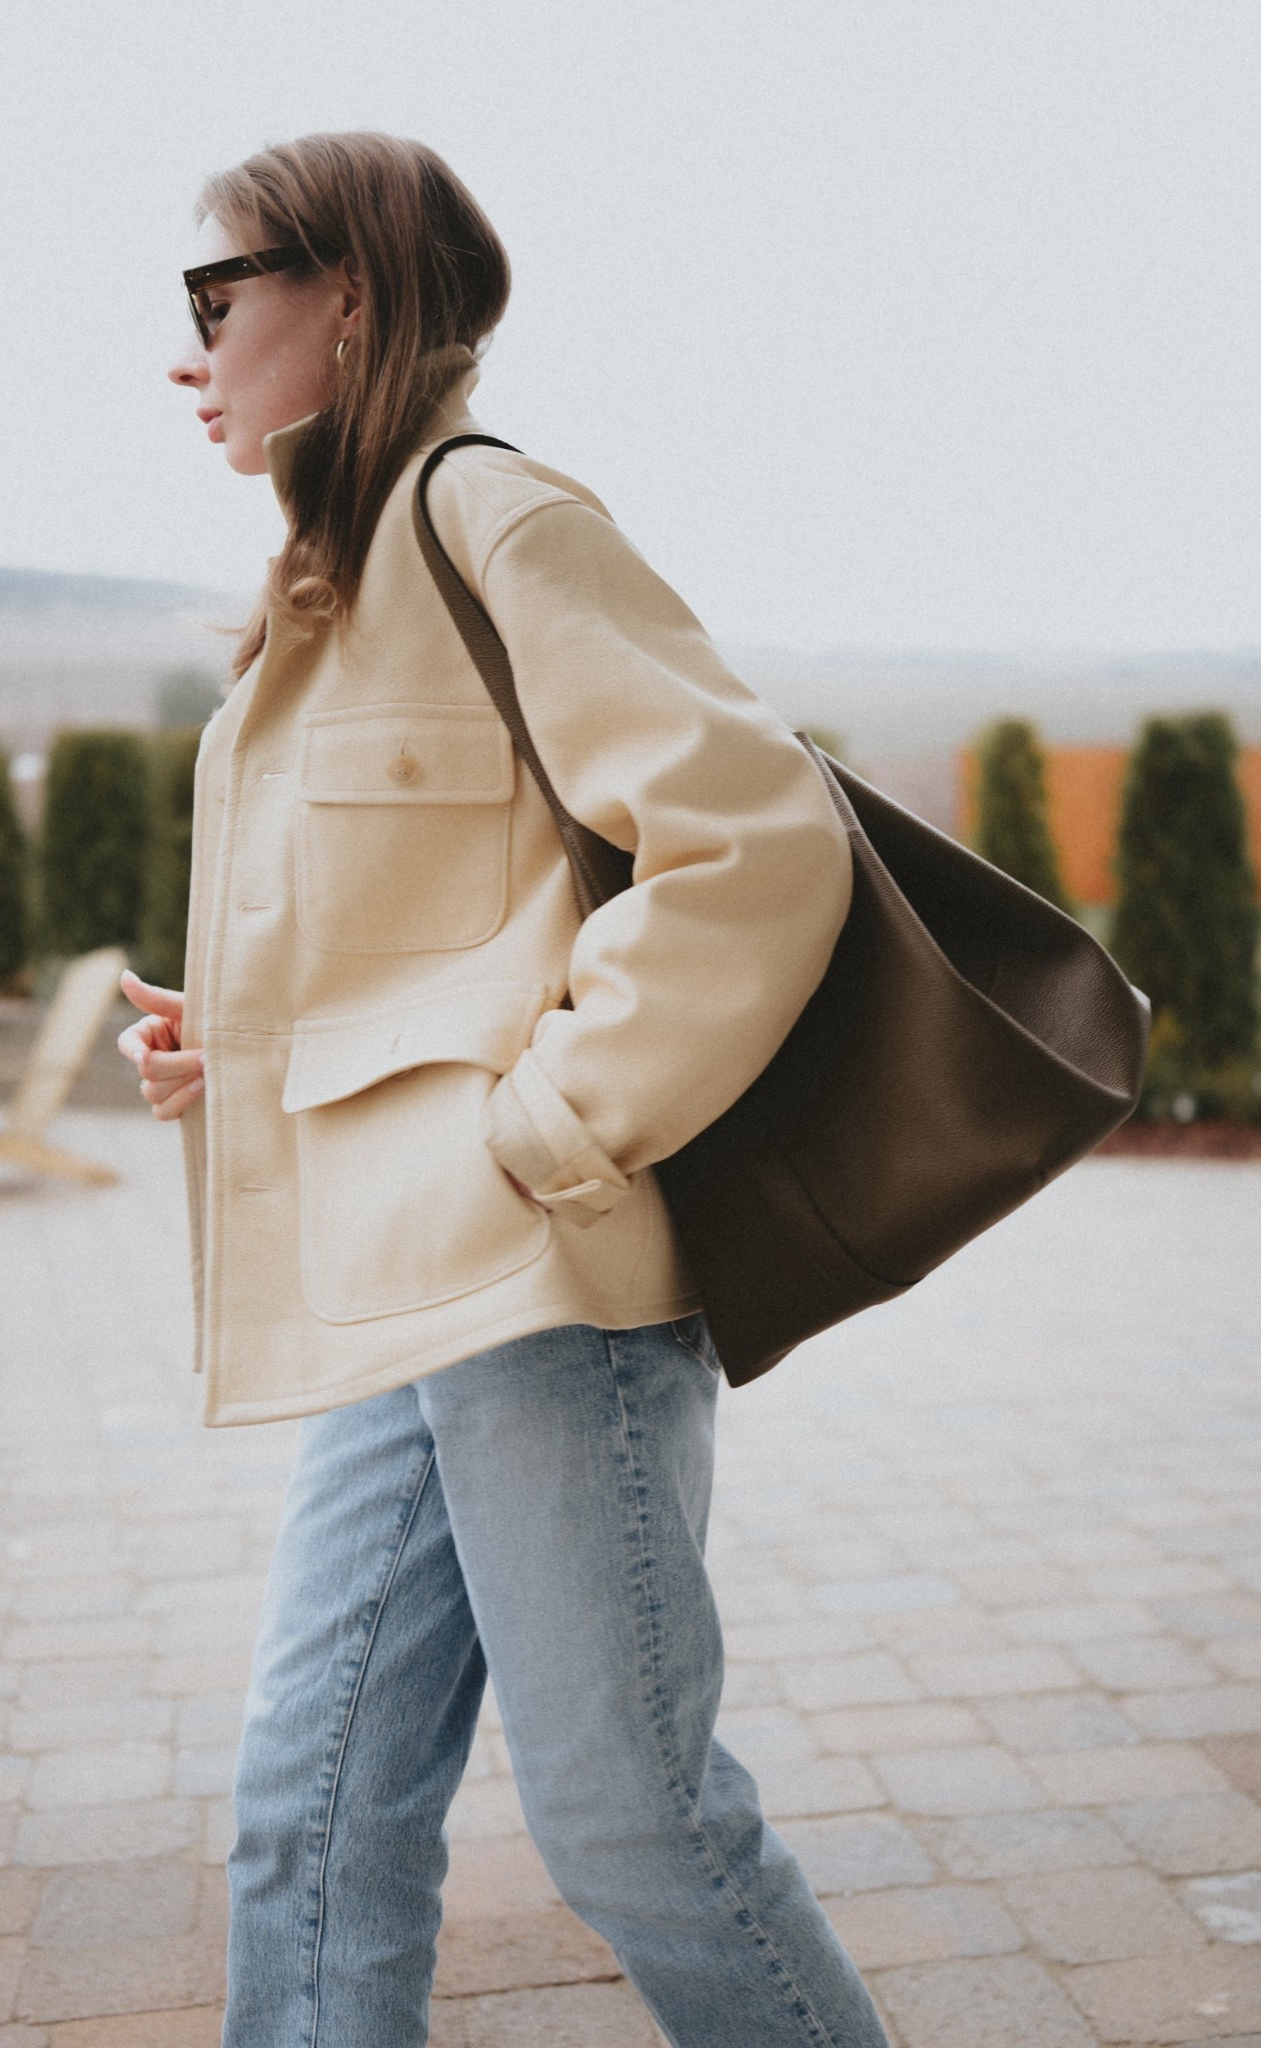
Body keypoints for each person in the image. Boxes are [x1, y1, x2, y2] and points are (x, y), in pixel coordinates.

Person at [119, 129, 888, 2048]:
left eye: (219, 298)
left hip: (544, 1288)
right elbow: (452, 938)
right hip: (406, 1300)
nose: (188, 347)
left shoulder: (497, 518)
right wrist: (243, 1048)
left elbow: (752, 844)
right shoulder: (332, 580)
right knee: (303, 1814)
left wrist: (549, 1126)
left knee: (635, 1827)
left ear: (348, 295)